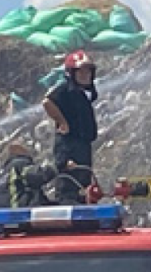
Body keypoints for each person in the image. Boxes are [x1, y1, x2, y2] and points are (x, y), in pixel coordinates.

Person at [42, 50, 99, 205]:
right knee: (69, 194)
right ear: (71, 73)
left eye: (88, 71)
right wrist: (61, 121)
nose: (85, 74)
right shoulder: (65, 89)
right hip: (69, 151)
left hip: (83, 148)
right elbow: (47, 102)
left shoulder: (82, 95)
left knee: (85, 192)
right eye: (81, 71)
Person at [0, 143, 57, 208]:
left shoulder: (2, 175)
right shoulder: (19, 163)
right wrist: (53, 169)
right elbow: (37, 176)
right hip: (23, 209)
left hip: (7, 213)